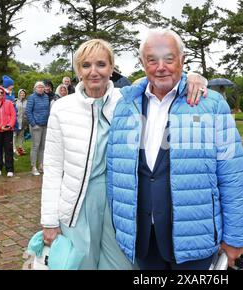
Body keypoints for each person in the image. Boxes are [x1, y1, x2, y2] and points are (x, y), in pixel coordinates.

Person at [40, 38, 208, 270]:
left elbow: (161, 77)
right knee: (79, 264)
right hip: (76, 205)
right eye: (86, 65)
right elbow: (52, 167)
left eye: (101, 64)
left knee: (122, 265)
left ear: (111, 68)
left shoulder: (127, 100)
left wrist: (193, 76)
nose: (94, 72)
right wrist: (49, 220)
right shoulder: (61, 107)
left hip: (120, 202)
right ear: (78, 70)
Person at [106, 29, 243, 270]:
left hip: (194, 236)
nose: (160, 66)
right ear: (142, 64)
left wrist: (235, 237)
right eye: (152, 60)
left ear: (183, 61)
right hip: (142, 239)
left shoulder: (211, 105)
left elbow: (232, 175)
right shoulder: (125, 106)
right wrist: (122, 226)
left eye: (169, 59)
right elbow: (114, 172)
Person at [26, 81, 50, 176]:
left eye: (42, 87)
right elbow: (28, 111)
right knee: (35, 146)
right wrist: (33, 124)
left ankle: (41, 165)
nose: (40, 88)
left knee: (43, 147)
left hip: (45, 125)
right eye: (39, 87)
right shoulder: (32, 97)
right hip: (36, 126)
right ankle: (33, 166)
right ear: (35, 88)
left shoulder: (46, 97)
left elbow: (47, 110)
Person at [15, 89, 28, 156]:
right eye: (21, 93)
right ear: (19, 94)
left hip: (23, 121)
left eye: (23, 93)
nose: (22, 94)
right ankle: (14, 149)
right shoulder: (15, 101)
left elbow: (27, 112)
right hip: (16, 121)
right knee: (14, 136)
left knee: (21, 135)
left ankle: (20, 148)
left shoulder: (27, 102)